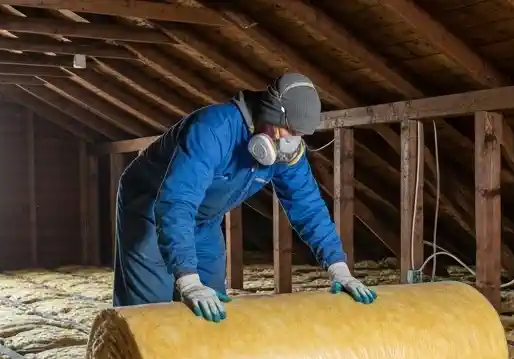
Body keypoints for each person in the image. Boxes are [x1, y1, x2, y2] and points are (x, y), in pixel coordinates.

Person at [112, 72, 376, 321]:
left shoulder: (285, 153)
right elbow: (177, 201)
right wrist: (187, 280)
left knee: (211, 304)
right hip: (151, 207)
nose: (292, 143)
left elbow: (308, 208)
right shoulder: (213, 129)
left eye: (300, 136)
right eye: (289, 132)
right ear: (271, 115)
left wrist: (339, 268)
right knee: (149, 313)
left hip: (204, 220)